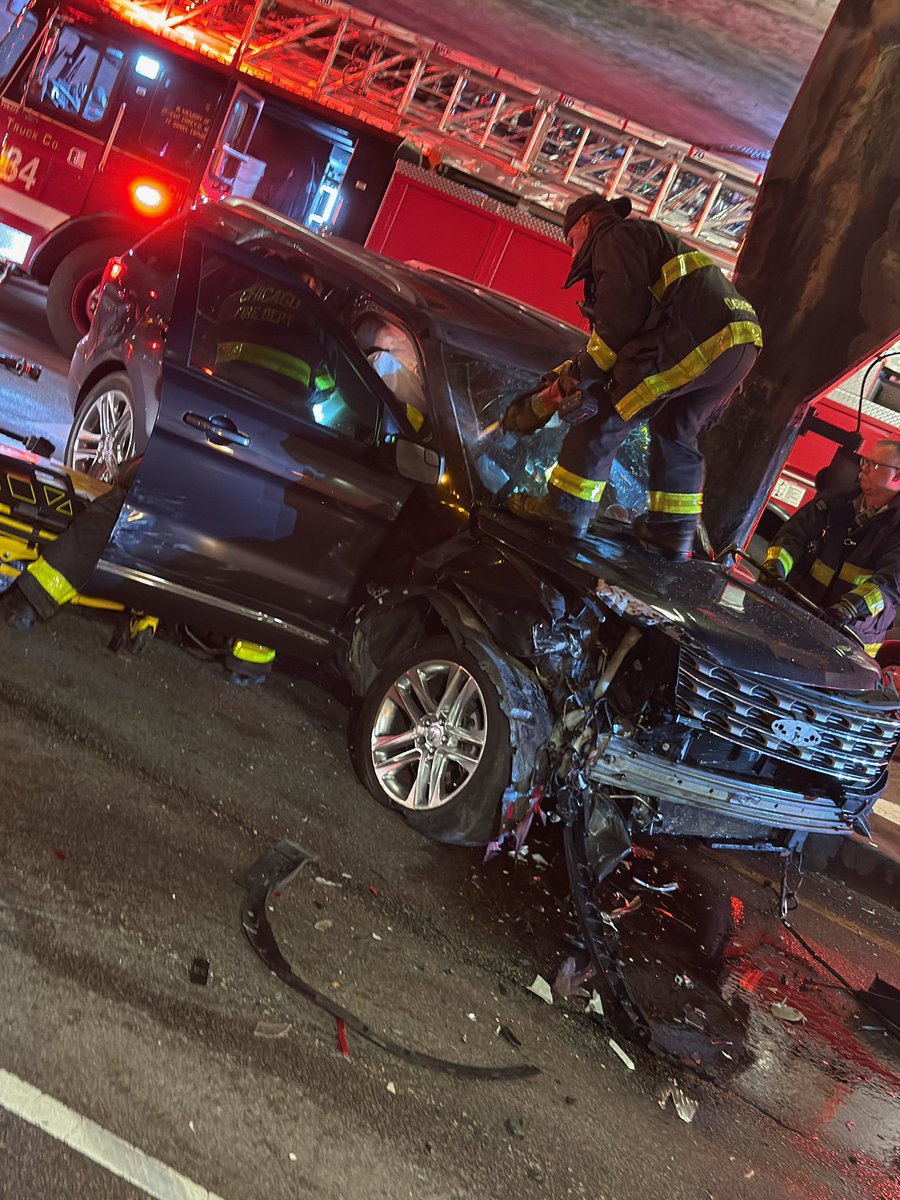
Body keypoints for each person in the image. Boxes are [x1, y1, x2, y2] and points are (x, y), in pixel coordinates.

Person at [503, 193, 762, 558]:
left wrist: (577, 386)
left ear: (585, 223)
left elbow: (615, 332)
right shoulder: (643, 240)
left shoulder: (614, 238)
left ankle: (565, 509)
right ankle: (672, 533)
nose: (571, 251)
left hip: (695, 335)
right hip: (738, 344)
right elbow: (615, 339)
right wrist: (560, 382)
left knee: (607, 406)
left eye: (570, 240)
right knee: (675, 428)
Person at [760, 438, 900, 654]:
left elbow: (890, 584)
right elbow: (793, 535)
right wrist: (774, 568)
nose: (864, 469)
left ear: (897, 476)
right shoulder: (836, 500)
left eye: (874, 465)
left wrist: (850, 608)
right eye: (864, 461)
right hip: (796, 616)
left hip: (847, 641)